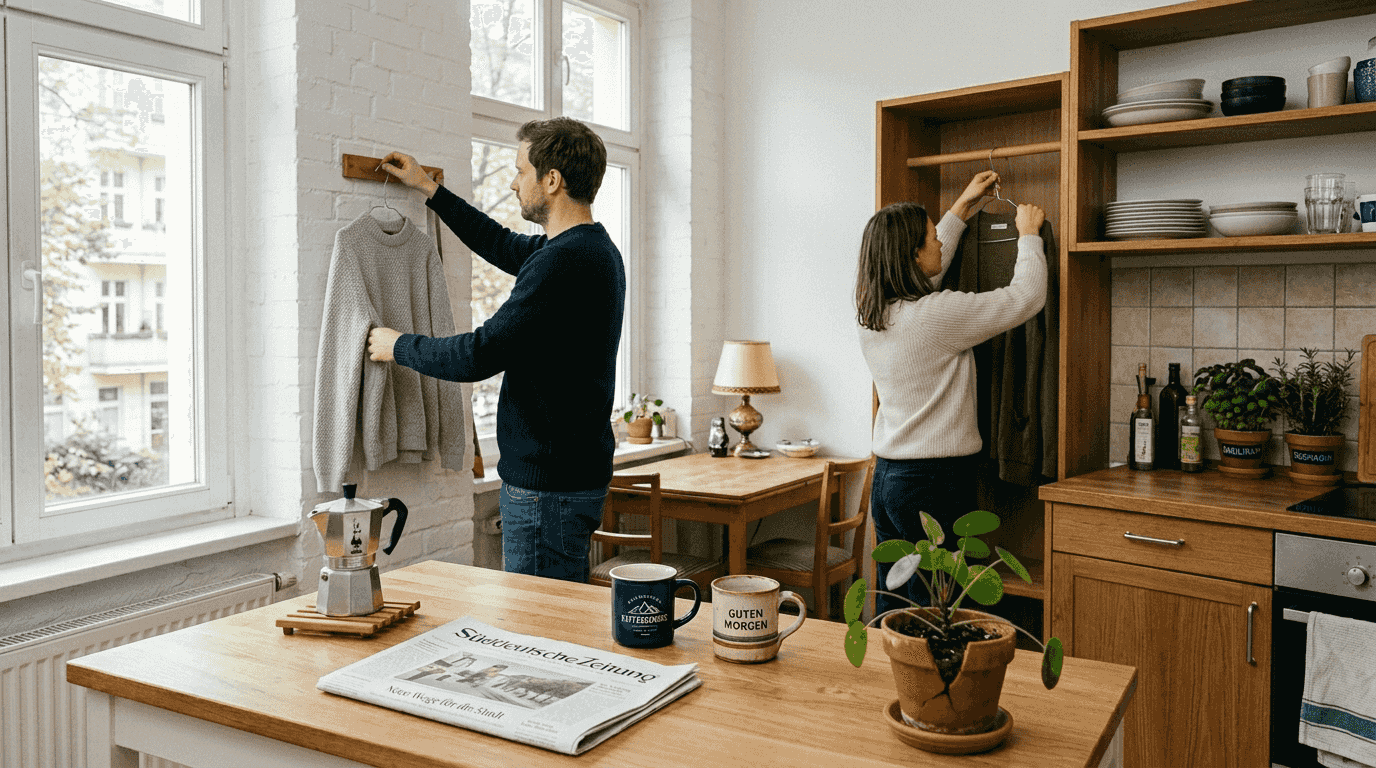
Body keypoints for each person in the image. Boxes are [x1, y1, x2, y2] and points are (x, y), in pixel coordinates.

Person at [366, 117, 625, 584]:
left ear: (552, 180)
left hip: (547, 490)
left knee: (537, 629)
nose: (513, 182)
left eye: (520, 169)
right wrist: (429, 187)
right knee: (551, 624)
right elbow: (501, 243)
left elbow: (480, 354)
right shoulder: (591, 249)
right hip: (570, 480)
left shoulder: (562, 261)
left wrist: (396, 346)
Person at [855, 171, 1047, 617]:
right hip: (934, 483)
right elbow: (1026, 297)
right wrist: (1029, 235)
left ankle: (899, 685)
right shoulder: (935, 318)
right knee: (934, 611)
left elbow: (926, 283)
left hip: (890, 479)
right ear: (912, 254)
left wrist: (962, 206)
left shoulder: (874, 313)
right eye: (930, 239)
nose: (939, 244)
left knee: (898, 605)